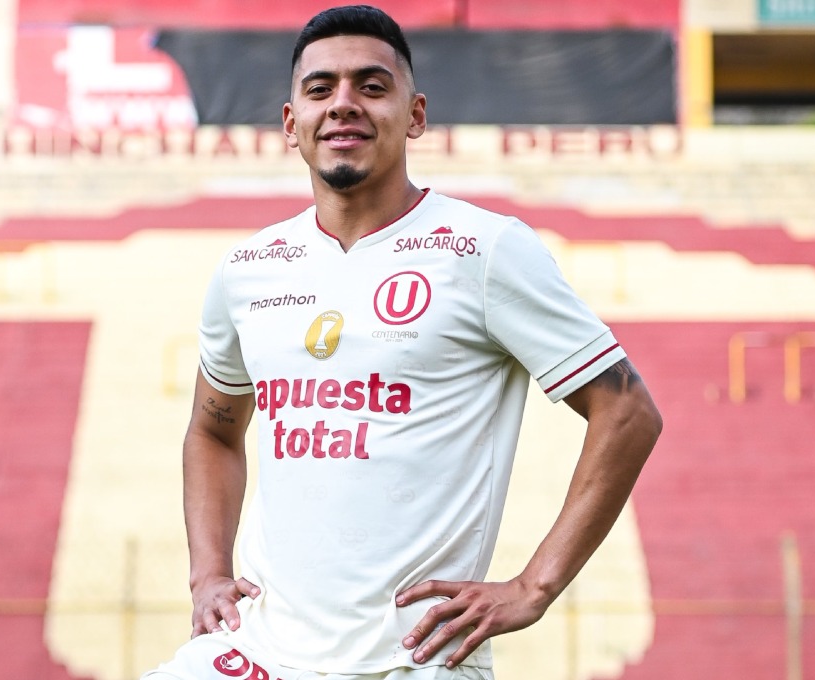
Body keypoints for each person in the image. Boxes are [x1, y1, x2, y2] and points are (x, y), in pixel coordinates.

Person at [142, 5, 663, 680]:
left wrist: (533, 586)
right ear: (291, 123)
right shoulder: (248, 269)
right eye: (321, 89)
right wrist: (208, 575)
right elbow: (213, 431)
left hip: (416, 659)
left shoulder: (485, 250)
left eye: (371, 86)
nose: (344, 104)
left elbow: (627, 411)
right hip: (263, 649)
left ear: (414, 115)